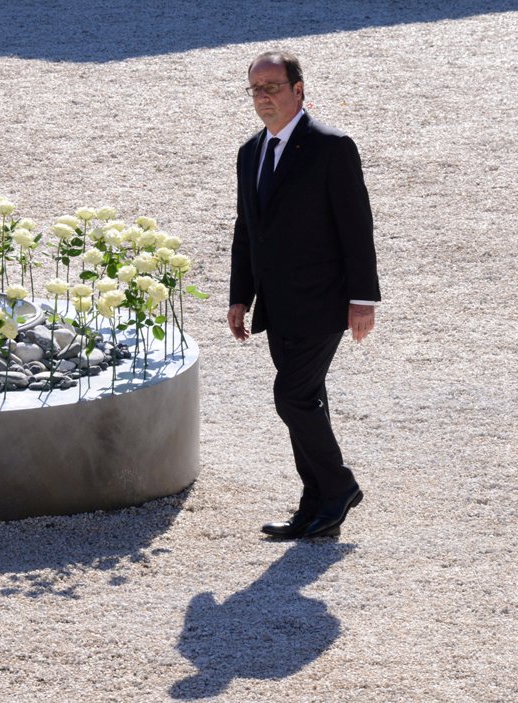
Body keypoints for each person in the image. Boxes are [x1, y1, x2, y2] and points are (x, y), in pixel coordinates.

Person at [228, 50, 381, 539]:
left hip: (323, 301)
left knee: (292, 396)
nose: (263, 97)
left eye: (272, 87)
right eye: (256, 89)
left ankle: (339, 486)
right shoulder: (250, 152)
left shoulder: (332, 147)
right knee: (308, 399)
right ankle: (316, 505)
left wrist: (363, 299)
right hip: (277, 303)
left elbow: (356, 226)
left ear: (298, 90)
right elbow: (246, 229)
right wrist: (239, 295)